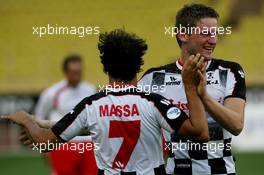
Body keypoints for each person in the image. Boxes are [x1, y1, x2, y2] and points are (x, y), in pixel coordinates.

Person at [2, 29, 208, 175]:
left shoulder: (91, 105)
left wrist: (28, 120)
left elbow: (45, 142)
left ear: (105, 68)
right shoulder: (153, 102)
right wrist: (190, 87)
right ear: (138, 67)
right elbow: (200, 132)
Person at [139, 4, 246, 175]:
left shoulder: (229, 71)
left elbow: (236, 125)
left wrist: (204, 96)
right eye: (206, 34)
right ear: (183, 35)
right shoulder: (153, 78)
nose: (213, 40)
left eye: (215, 33)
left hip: (221, 171)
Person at [34, 54, 98, 175]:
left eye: (79, 72)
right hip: (64, 144)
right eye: (73, 72)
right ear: (66, 72)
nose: (77, 75)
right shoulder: (52, 93)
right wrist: (44, 147)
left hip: (88, 145)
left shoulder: (90, 90)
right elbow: (39, 117)